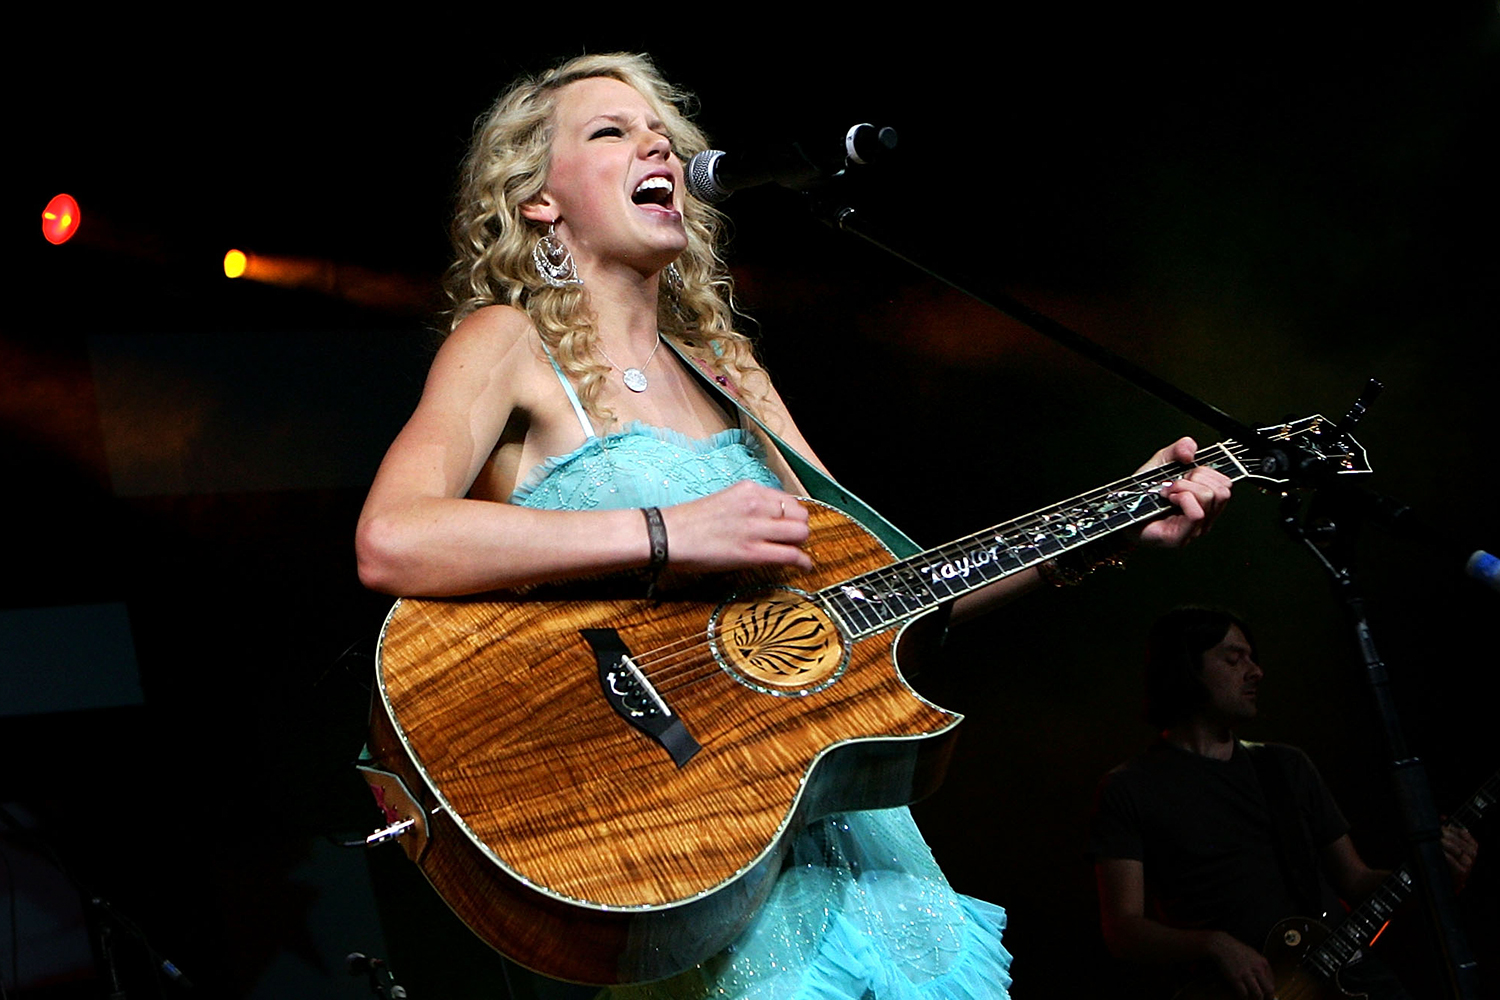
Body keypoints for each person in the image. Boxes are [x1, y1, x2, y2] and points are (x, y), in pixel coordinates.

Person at [356, 52, 1232, 1000]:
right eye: (611, 131)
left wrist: (1105, 530)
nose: (656, 145)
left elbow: (896, 587)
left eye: (663, 133)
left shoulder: (729, 373)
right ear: (538, 200)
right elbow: (394, 537)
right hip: (692, 846)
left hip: (866, 851)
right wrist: (667, 532)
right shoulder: (509, 344)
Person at [1090, 607, 1479, 1000]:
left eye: (1252, 657)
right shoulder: (1129, 788)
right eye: (1234, 659)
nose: (1256, 671)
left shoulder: (1285, 766)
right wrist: (1213, 944)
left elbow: (1357, 881)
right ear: (1185, 669)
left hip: (1349, 979)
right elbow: (1123, 930)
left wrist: (1436, 878)